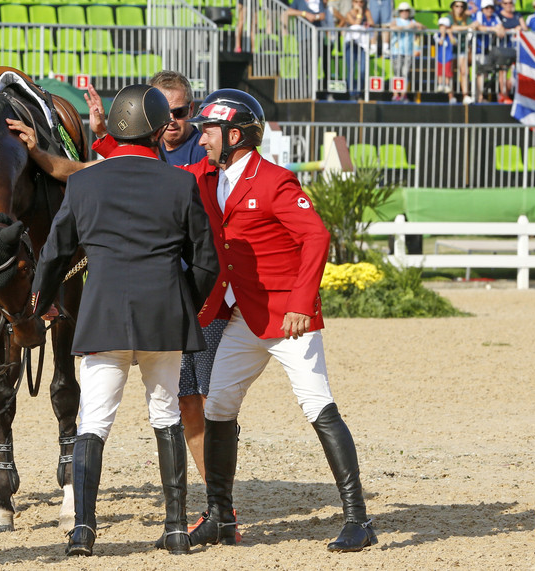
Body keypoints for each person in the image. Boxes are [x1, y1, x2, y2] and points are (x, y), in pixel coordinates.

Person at [172, 89, 376, 553]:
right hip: (242, 316)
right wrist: (105, 142)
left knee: (317, 405)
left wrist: (303, 303)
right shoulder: (205, 174)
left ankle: (358, 519)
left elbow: (317, 237)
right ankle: (221, 518)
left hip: (289, 318)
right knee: (218, 406)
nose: (200, 138)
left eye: (208, 130)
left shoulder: (276, 181)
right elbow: (150, 176)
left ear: (235, 134)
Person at [28, 84, 219, 557]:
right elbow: (207, 263)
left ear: (115, 128)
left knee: (94, 422)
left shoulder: (85, 182)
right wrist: (183, 305)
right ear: (156, 130)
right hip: (163, 319)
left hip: (103, 317)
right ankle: (176, 528)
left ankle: (83, 531)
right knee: (167, 415)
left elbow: (54, 254)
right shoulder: (180, 183)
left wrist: (41, 301)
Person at [390, 2, 425, 102]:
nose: (404, 13)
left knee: (405, 74)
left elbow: (423, 28)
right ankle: (396, 94)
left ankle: (403, 95)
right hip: (397, 51)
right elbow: (392, 28)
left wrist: (418, 26)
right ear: (399, 12)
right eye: (402, 11)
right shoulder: (396, 21)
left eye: (406, 11)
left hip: (408, 52)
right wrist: (407, 27)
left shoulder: (412, 22)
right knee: (397, 73)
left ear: (409, 12)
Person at [342, 0, 374, 99]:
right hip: (350, 44)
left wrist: (363, 14)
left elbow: (372, 23)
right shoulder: (348, 13)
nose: (359, 4)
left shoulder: (367, 11)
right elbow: (356, 24)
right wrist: (360, 12)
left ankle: (359, 92)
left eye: (361, 2)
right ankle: (352, 93)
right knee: (351, 69)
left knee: (363, 69)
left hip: (362, 44)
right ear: (352, 2)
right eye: (356, 1)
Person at [494, 0, 524, 103]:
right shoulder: (498, 16)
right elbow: (499, 31)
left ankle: (507, 93)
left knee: (513, 74)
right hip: (504, 48)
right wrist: (512, 30)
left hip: (516, 48)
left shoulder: (517, 15)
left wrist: (520, 28)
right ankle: (503, 94)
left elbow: (524, 28)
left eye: (510, 2)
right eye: (505, 3)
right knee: (503, 71)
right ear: (502, 4)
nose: (508, 5)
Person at [473, 0, 502, 102]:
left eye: (491, 7)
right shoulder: (479, 15)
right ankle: (479, 96)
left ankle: (480, 95)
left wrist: (496, 29)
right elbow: (479, 27)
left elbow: (501, 30)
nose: (489, 10)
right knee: (480, 72)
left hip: (488, 50)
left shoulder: (495, 17)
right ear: (483, 9)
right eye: (487, 8)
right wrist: (493, 29)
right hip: (477, 49)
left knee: (484, 73)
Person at [448, 0, 474, 104]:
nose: (459, 8)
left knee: (464, 71)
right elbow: (451, 28)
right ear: (453, 7)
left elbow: (474, 26)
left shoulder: (466, 18)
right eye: (457, 6)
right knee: (451, 73)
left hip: (462, 48)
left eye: (461, 6)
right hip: (450, 49)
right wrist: (467, 28)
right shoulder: (449, 17)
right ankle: (451, 96)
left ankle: (465, 95)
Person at [435, 17, 456, 99]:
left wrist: (450, 34)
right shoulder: (437, 35)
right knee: (440, 72)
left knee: (447, 72)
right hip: (440, 57)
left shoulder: (451, 35)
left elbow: (454, 43)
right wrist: (443, 35)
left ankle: (447, 85)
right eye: (441, 27)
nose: (443, 29)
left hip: (448, 57)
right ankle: (440, 84)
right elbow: (440, 42)